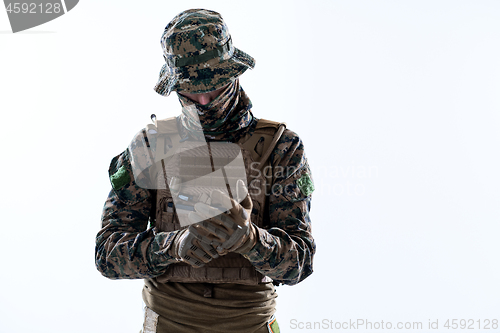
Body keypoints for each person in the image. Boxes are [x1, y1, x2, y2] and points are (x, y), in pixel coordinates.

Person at [95, 8, 316, 333]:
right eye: (189, 90)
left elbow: (300, 263)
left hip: (250, 325)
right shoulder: (151, 146)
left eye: (214, 87)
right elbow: (107, 254)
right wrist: (171, 246)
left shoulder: (281, 149)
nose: (202, 98)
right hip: (167, 323)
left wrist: (251, 240)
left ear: (234, 74)